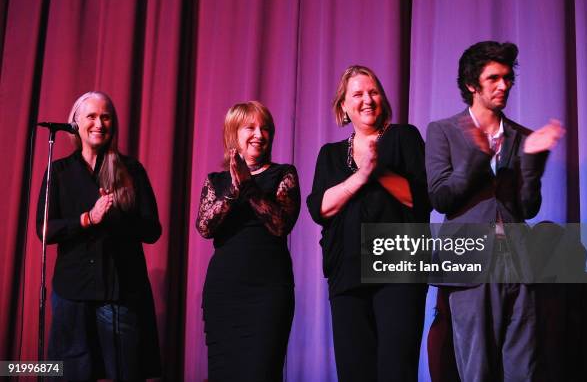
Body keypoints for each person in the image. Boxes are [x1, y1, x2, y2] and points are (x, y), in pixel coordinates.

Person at [425, 41, 565, 381]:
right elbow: (441, 198)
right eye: (494, 79)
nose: (504, 85)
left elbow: (528, 207)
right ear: (473, 84)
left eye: (507, 78)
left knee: (523, 369)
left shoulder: (522, 137)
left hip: (517, 263)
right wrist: (478, 154)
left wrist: (533, 162)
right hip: (469, 263)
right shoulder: (443, 131)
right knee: (477, 370)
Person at [307, 65, 430, 381]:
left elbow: (421, 199)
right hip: (345, 269)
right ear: (343, 106)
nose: (367, 99)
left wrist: (379, 171)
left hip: (397, 263)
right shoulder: (330, 154)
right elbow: (319, 208)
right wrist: (361, 175)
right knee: (354, 371)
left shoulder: (404, 137)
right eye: (357, 94)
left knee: (395, 370)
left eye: (373, 92)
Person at [36, 91, 162, 380]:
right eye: (91, 116)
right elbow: (44, 230)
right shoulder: (59, 171)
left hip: (119, 293)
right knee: (69, 373)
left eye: (106, 116)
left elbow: (153, 230)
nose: (99, 123)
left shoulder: (131, 170)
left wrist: (119, 214)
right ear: (75, 123)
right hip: (72, 293)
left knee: (125, 371)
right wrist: (88, 218)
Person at [196, 101, 300, 382]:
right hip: (223, 292)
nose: (259, 134)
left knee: (262, 372)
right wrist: (233, 187)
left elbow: (280, 225)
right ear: (233, 135)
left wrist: (248, 186)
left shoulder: (284, 173)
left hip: (267, 292)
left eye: (265, 128)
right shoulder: (215, 180)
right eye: (250, 127)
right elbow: (205, 227)